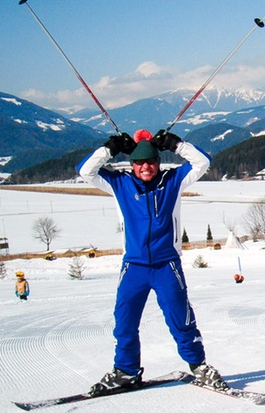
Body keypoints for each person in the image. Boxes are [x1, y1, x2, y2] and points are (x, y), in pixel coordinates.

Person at [77, 128, 230, 394]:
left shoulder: (173, 181)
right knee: (124, 321)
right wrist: (109, 149)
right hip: (134, 266)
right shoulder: (120, 184)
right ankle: (126, 371)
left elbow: (202, 162)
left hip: (166, 265)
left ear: (158, 163)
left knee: (180, 318)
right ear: (132, 164)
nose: (145, 167)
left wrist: (176, 145)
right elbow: (85, 171)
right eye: (139, 162)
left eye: (151, 162)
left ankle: (199, 366)